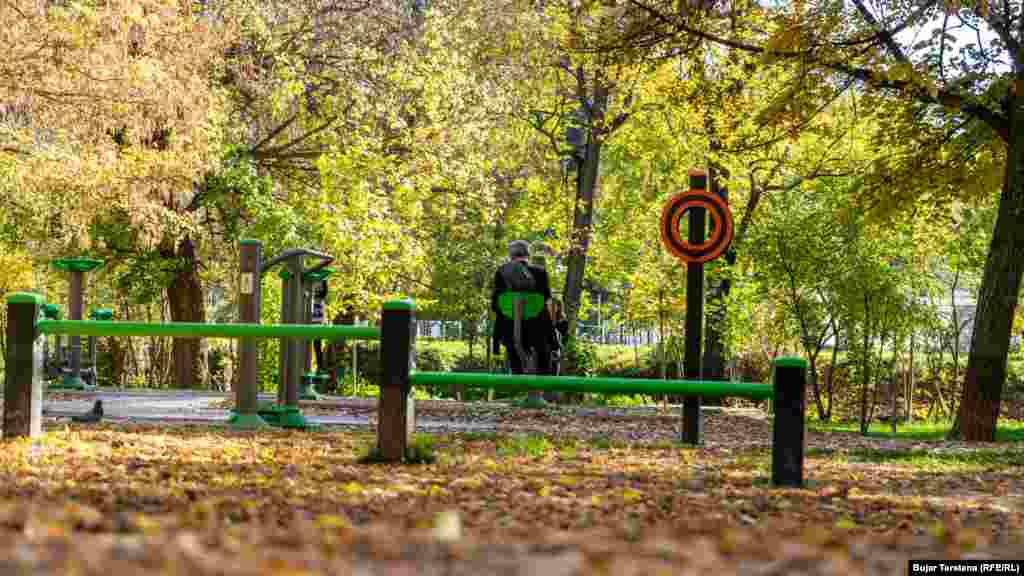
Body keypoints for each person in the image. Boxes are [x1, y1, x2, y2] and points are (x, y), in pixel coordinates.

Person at [491, 240, 552, 375]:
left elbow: (495, 304)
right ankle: (545, 380)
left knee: (511, 346)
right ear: (527, 255)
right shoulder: (540, 272)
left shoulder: (501, 272)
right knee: (544, 347)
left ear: (510, 256)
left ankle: (517, 375)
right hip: (537, 329)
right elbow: (546, 298)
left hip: (509, 329)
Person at [548, 298, 569, 375]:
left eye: (552, 306)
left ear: (558, 307)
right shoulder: (544, 320)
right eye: (548, 305)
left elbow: (564, 338)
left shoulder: (562, 321)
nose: (549, 307)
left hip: (555, 352)